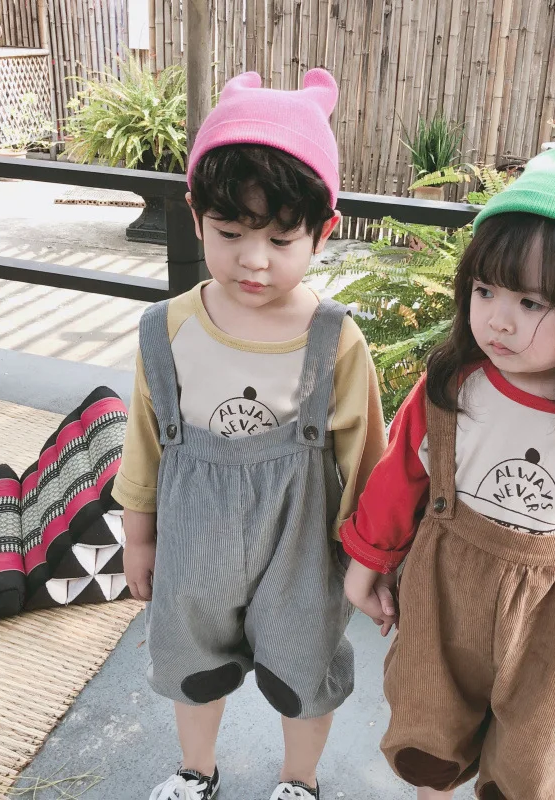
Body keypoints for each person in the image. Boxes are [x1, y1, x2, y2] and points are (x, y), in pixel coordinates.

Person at [340, 128, 555, 800]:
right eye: (486, 290)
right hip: (442, 601)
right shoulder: (453, 389)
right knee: (429, 730)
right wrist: (366, 564)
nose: (499, 321)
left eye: (532, 303)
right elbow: (399, 478)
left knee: (539, 758)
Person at [112, 68, 386, 800]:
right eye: (230, 233)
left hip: (301, 543)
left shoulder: (335, 338)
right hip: (191, 535)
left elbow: (368, 461)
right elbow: (144, 443)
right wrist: (139, 539)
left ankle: (299, 779)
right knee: (188, 660)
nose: (253, 259)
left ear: (324, 231)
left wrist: (371, 561)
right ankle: (196, 769)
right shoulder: (167, 328)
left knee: (303, 668)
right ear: (196, 215)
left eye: (280, 237)